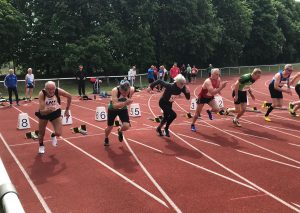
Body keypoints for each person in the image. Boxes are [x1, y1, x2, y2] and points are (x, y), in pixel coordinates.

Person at [34, 81, 72, 154]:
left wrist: (67, 110)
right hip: (44, 113)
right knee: (41, 132)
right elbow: (42, 112)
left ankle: (53, 135)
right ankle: (41, 145)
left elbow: (69, 96)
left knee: (59, 133)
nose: (51, 91)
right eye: (49, 89)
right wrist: (49, 109)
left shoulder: (58, 91)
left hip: (55, 112)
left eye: (53, 89)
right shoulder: (42, 94)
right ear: (45, 89)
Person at [104, 80, 135, 146]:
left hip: (123, 109)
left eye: (126, 92)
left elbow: (129, 99)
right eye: (122, 92)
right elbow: (115, 106)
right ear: (120, 89)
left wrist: (128, 101)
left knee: (126, 126)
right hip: (112, 110)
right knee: (110, 127)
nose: (124, 94)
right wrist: (125, 103)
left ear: (129, 89)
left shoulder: (132, 89)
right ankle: (106, 138)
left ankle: (120, 131)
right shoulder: (115, 90)